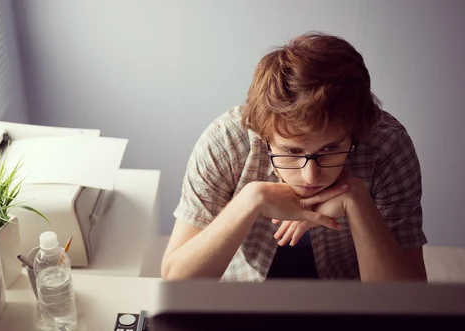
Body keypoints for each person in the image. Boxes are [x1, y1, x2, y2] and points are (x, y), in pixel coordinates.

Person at [161, 32, 427, 282]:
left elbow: (408, 303)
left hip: (347, 306)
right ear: (263, 135)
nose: (311, 176)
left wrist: (357, 200)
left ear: (355, 133)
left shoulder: (387, 146)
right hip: (240, 302)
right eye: (291, 152)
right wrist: (250, 200)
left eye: (330, 149)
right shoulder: (226, 142)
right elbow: (175, 280)